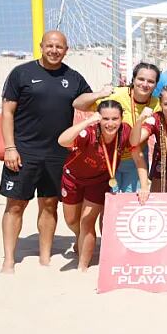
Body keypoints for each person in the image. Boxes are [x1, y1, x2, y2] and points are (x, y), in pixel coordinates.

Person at [0, 30, 92, 273]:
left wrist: (105, 93)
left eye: (59, 46)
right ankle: (9, 260)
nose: (54, 50)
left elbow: (88, 101)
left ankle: (45, 257)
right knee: (16, 205)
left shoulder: (73, 77)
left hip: (58, 154)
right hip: (23, 152)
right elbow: (7, 112)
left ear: (66, 49)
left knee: (49, 204)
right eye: (50, 45)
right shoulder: (22, 73)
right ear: (41, 46)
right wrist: (10, 147)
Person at [57, 100, 149, 272]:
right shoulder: (89, 132)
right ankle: (79, 237)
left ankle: (82, 267)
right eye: (105, 118)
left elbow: (138, 157)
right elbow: (62, 141)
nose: (110, 123)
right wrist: (87, 121)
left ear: (121, 119)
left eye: (115, 118)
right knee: (71, 221)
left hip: (99, 180)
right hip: (73, 178)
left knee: (87, 221)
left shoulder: (126, 131)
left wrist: (144, 186)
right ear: (99, 119)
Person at [72, 62, 161, 192]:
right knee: (107, 204)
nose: (145, 84)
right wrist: (99, 94)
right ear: (133, 79)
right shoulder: (115, 95)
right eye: (141, 79)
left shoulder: (157, 104)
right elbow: (77, 104)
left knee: (129, 205)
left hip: (135, 159)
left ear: (156, 85)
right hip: (109, 157)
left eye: (151, 81)